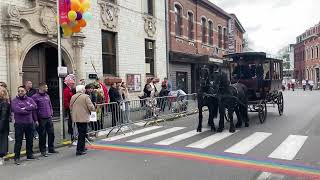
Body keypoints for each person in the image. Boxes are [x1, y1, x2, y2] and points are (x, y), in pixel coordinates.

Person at [11, 86, 38, 165]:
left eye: (22, 91)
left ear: (25, 91)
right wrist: (28, 109)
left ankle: (29, 155)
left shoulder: (30, 99)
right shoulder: (14, 101)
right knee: (18, 141)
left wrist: (24, 108)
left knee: (30, 140)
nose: (20, 92)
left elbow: (35, 106)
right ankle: (17, 157)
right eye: (19, 91)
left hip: (29, 123)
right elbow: (17, 110)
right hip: (19, 124)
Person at [32, 83, 58, 157]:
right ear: (41, 87)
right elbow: (34, 110)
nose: (47, 88)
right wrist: (36, 120)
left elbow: (50, 105)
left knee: (51, 134)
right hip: (41, 118)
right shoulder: (35, 97)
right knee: (42, 135)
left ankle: (51, 148)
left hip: (48, 117)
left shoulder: (47, 96)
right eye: (46, 87)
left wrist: (51, 113)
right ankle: (43, 150)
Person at [70, 85, 95, 156]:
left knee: (81, 132)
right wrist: (93, 109)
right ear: (82, 90)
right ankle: (79, 149)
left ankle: (82, 147)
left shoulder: (73, 96)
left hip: (76, 117)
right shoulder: (85, 96)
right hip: (83, 117)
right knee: (82, 134)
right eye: (84, 89)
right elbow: (91, 107)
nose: (84, 90)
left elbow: (70, 106)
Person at [0, 87, 10, 165]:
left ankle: (1, 157)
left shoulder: (4, 102)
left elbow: (3, 116)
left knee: (2, 141)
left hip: (2, 125)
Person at [63, 75, 76, 141]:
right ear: (69, 84)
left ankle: (71, 129)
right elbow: (66, 99)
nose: (73, 84)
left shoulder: (72, 90)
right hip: (69, 106)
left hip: (72, 106)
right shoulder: (66, 90)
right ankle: (70, 130)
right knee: (70, 118)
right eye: (72, 83)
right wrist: (69, 106)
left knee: (71, 118)